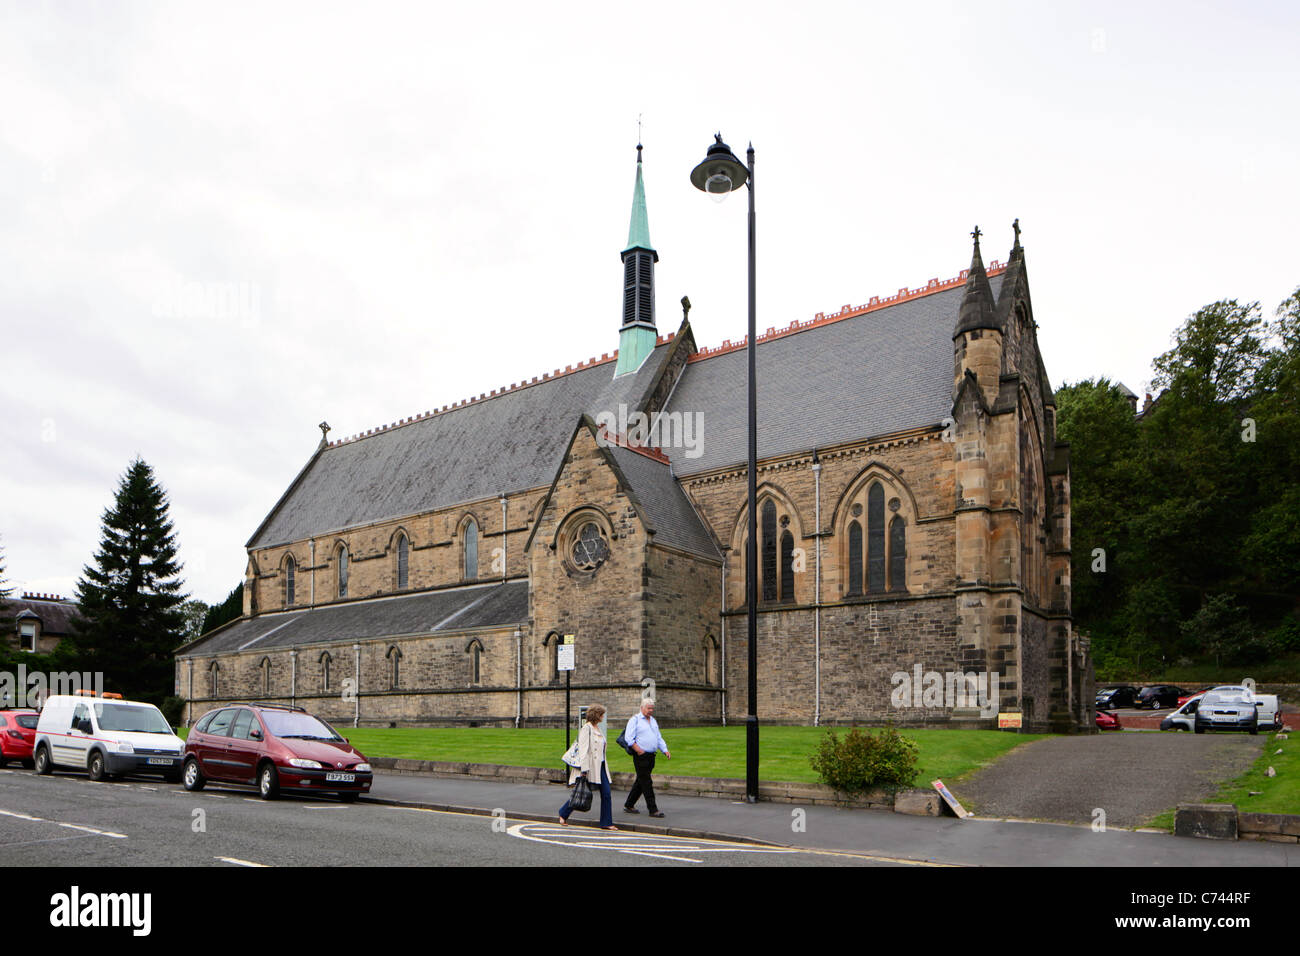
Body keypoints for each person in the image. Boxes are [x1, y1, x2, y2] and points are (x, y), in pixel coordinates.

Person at [559, 704, 617, 830]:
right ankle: (563, 813)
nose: (603, 716)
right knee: (581, 792)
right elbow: (583, 750)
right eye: (602, 714)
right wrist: (584, 770)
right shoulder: (587, 728)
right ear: (597, 715)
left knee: (606, 793)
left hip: (601, 766)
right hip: (590, 767)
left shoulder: (598, 728)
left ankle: (606, 822)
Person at [623, 697, 670, 817]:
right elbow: (628, 738)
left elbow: (658, 737)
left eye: (652, 709)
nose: (651, 711)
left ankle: (629, 804)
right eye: (649, 708)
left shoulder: (653, 721)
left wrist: (664, 750)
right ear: (642, 708)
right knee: (647, 782)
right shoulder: (635, 720)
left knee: (641, 780)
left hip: (651, 756)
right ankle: (653, 810)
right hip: (641, 756)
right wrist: (638, 750)